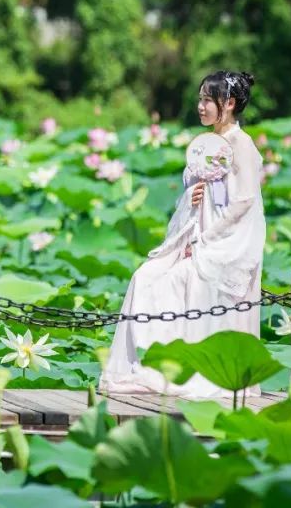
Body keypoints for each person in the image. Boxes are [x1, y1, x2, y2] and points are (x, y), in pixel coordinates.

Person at [99, 70, 266, 399]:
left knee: (176, 282)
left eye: (208, 99)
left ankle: (186, 369)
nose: (201, 106)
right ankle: (150, 366)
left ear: (229, 104)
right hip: (194, 237)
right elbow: (195, 194)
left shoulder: (242, 145)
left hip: (223, 244)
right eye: (200, 99)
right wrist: (191, 198)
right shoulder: (210, 145)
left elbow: (244, 200)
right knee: (144, 276)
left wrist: (205, 240)